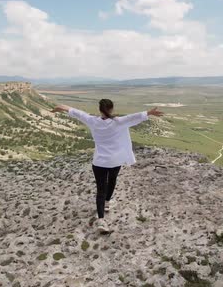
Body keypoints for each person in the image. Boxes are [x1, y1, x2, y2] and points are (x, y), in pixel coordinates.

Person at [52, 99, 164, 233]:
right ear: (111, 109)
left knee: (100, 189)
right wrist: (149, 112)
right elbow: (135, 117)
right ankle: (107, 203)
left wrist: (61, 107)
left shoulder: (92, 121)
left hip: (99, 162)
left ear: (100, 109)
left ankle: (101, 220)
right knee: (112, 180)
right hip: (115, 161)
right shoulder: (119, 122)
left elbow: (76, 112)